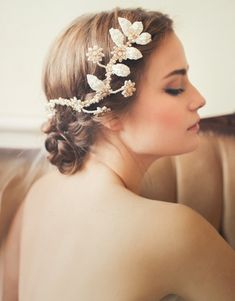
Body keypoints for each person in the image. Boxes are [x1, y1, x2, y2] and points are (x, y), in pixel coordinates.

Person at [3, 7, 235, 301]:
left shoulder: (40, 194)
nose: (199, 99)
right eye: (175, 88)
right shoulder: (175, 231)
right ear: (110, 116)